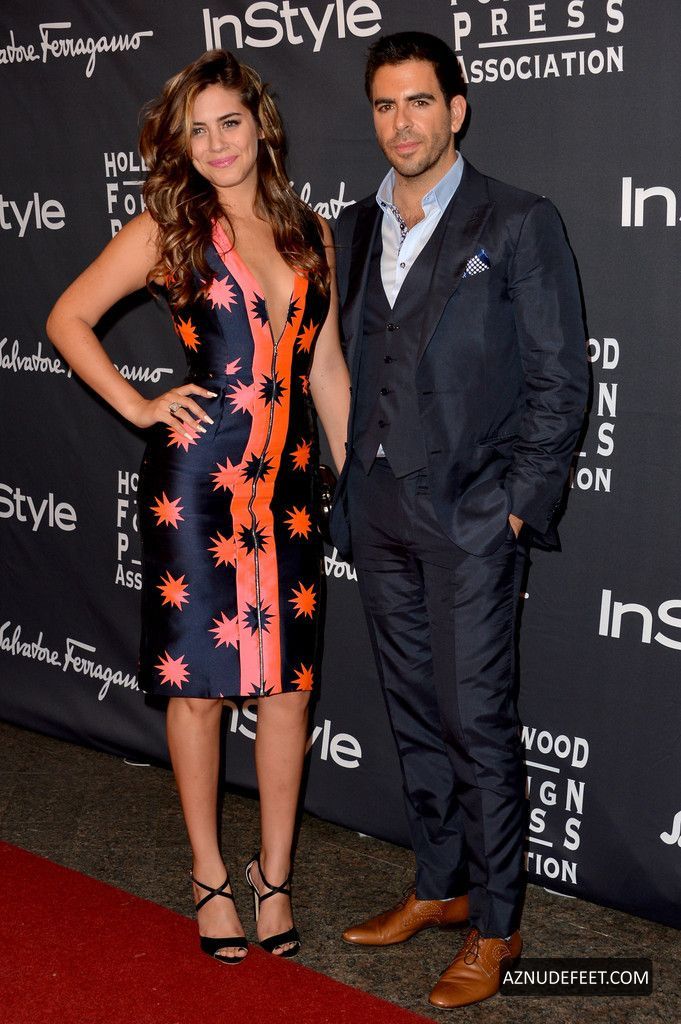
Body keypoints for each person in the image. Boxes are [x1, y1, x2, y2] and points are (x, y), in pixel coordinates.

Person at [47, 49, 349, 965]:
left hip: (289, 488)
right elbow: (67, 317)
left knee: (289, 689)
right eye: (197, 130)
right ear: (180, 144)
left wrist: (357, 479)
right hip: (198, 483)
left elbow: (326, 369)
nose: (217, 143)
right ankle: (210, 875)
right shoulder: (169, 228)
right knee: (202, 690)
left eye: (230, 122)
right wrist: (140, 405)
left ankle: (274, 874)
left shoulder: (311, 231)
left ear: (260, 125)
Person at [330, 31, 588, 1007]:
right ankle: (439, 886)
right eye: (385, 105)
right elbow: (344, 359)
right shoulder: (354, 227)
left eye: (420, 102)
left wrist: (515, 510)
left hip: (473, 518)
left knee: (476, 720)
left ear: (457, 110)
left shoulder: (517, 221)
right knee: (413, 711)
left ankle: (497, 923)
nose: (402, 123)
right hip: (378, 508)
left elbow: (561, 381)